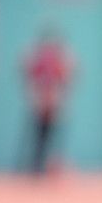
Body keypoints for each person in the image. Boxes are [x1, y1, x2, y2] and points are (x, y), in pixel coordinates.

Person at [24, 29, 73, 175]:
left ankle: (52, 167)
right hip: (42, 105)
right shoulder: (40, 58)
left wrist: (60, 99)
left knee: (54, 137)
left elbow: (65, 79)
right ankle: (38, 167)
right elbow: (30, 77)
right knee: (40, 137)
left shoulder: (59, 59)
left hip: (54, 105)